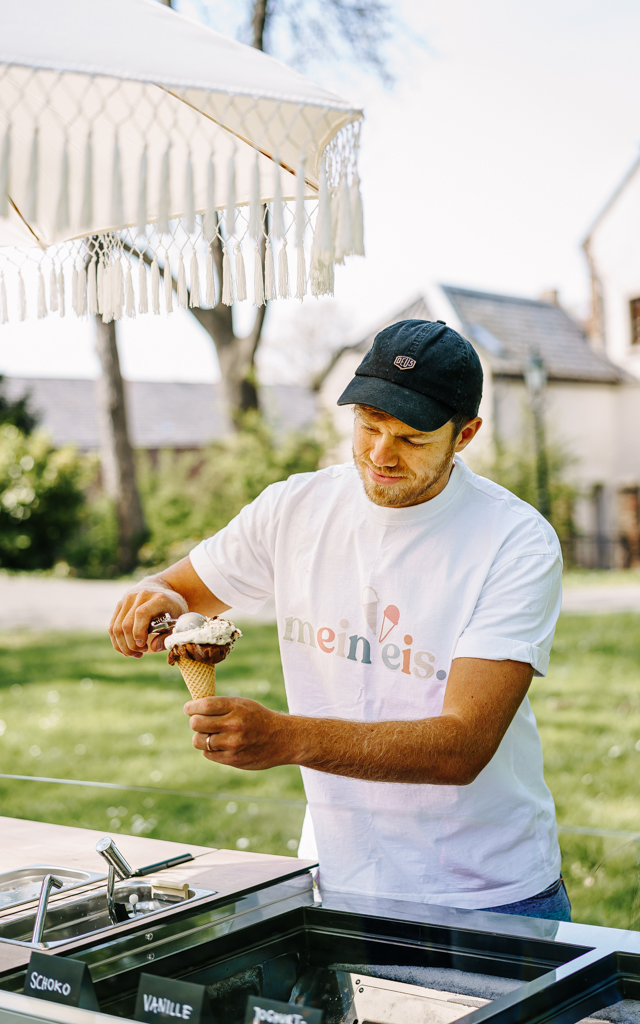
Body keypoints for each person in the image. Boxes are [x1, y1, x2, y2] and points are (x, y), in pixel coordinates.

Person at [109, 319, 570, 922]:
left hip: (484, 893)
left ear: (466, 435)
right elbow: (178, 588)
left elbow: (461, 746)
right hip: (336, 881)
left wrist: (284, 737)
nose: (381, 454)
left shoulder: (516, 542)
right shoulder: (294, 507)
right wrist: (155, 598)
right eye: (368, 425)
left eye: (411, 438)